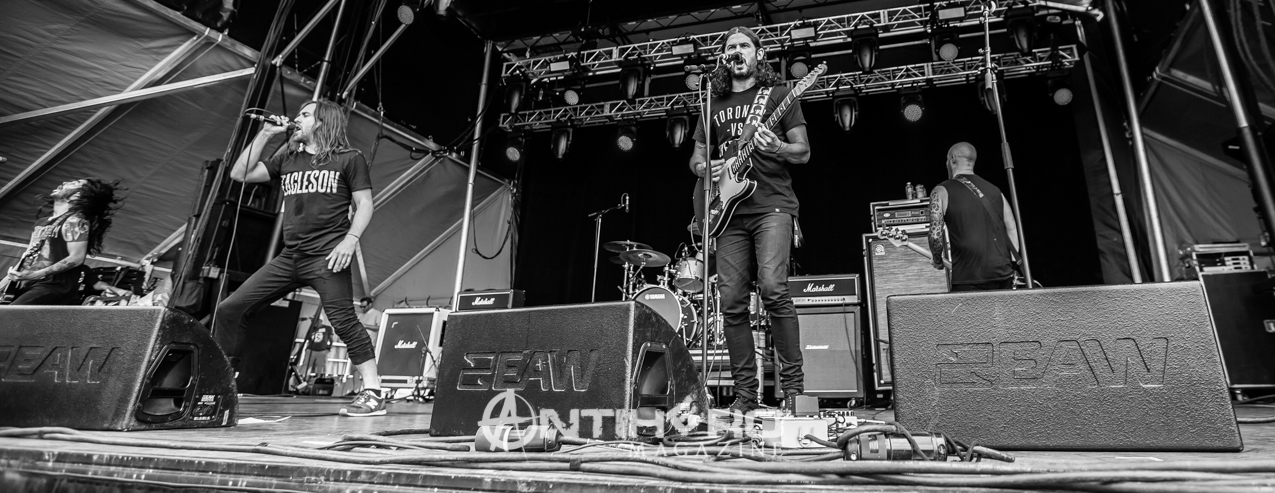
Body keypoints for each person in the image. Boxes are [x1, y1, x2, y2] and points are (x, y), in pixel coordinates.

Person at [215, 99, 387, 416]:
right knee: (230, 308)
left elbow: (365, 204)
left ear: (322, 122)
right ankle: (222, 384)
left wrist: (350, 241)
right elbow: (239, 173)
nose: (297, 119)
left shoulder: (349, 158)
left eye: (305, 115)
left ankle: (373, 392)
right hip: (290, 256)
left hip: (327, 256)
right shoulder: (288, 158)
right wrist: (267, 133)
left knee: (343, 321)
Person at [688, 26, 810, 416]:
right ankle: (745, 395)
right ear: (724, 58)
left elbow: (803, 152)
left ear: (758, 54)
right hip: (726, 212)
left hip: (772, 204)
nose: (737, 50)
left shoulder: (777, 95)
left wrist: (778, 146)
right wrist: (707, 167)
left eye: (744, 45)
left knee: (773, 287)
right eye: (731, 46)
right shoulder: (712, 101)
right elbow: (696, 159)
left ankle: (794, 390)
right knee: (732, 302)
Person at [5, 179, 122, 305]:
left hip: (54, 286)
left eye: (74, 183)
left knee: (6, 315)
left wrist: (36, 274)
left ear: (77, 195)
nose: (65, 182)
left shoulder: (75, 221)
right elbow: (27, 257)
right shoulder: (41, 223)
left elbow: (77, 257)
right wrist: (4, 283)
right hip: (31, 284)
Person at [928, 142, 1021, 291]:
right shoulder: (996, 191)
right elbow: (1012, 228)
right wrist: (1010, 262)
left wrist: (937, 260)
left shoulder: (941, 191)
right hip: (1002, 275)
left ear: (952, 159)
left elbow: (935, 235)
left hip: (967, 277)